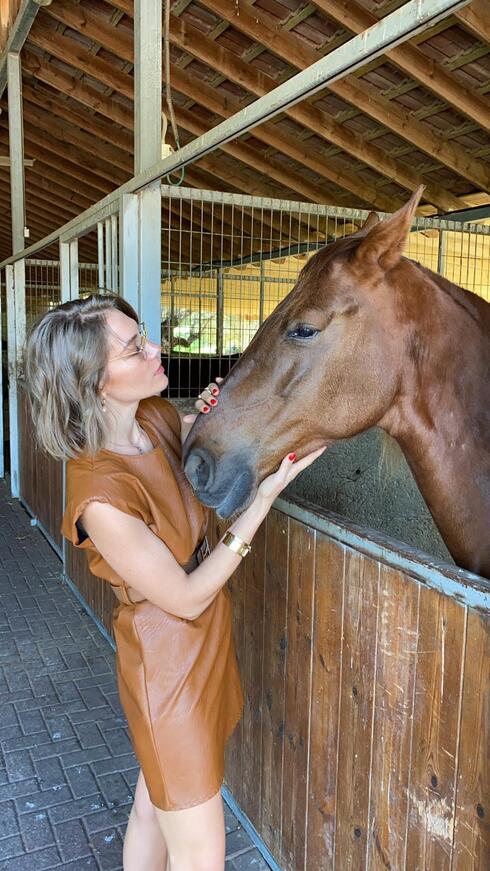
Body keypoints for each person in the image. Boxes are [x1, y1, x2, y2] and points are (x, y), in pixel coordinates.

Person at [24, 293, 325, 871]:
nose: (156, 349)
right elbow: (184, 595)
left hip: (202, 643)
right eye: (135, 348)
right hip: (167, 664)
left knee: (151, 809)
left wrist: (212, 413)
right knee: (200, 852)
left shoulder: (154, 419)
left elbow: (190, 438)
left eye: (145, 337)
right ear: (91, 382)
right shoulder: (99, 496)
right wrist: (261, 501)